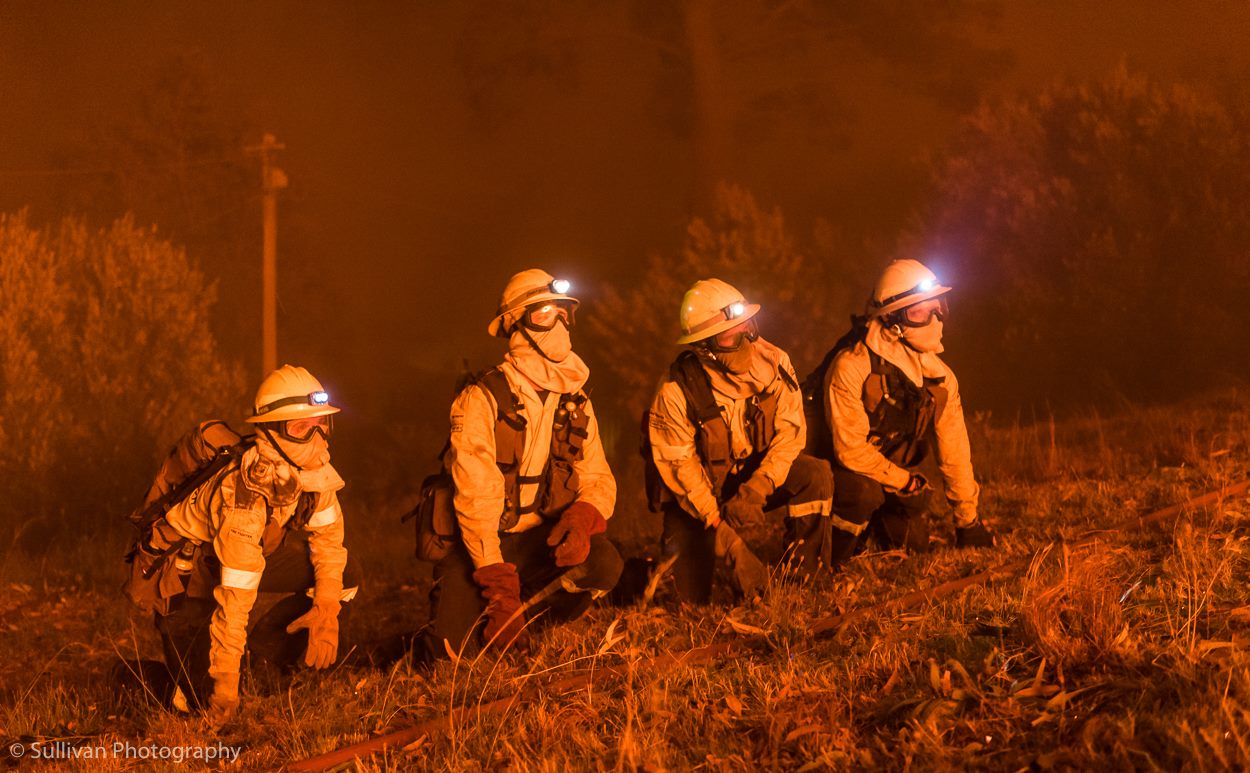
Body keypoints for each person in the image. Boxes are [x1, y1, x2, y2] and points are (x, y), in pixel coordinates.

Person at [137, 365, 360, 723]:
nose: (318, 437)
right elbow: (236, 596)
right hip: (187, 575)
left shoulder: (314, 473)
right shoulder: (243, 496)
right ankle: (140, 680)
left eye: (321, 423)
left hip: (248, 555)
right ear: (269, 432)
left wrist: (327, 606)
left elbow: (330, 545)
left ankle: (261, 659)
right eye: (301, 428)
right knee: (195, 705)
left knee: (345, 575)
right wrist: (225, 682)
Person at [426, 269, 622, 657]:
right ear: (517, 323)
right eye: (546, 312)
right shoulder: (481, 399)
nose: (561, 323)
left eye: (565, 312)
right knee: (447, 648)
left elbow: (599, 477)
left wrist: (582, 519)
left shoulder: (577, 400)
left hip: (539, 539)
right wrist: (499, 590)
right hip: (483, 545)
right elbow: (476, 498)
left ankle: (535, 618)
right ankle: (497, 608)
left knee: (604, 562)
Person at [647, 278, 833, 603]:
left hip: (751, 477)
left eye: (747, 325)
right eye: (732, 332)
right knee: (688, 600)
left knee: (815, 475)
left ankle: (808, 575)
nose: (747, 337)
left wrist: (759, 486)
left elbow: (791, 433)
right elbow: (682, 470)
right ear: (705, 345)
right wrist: (728, 540)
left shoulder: (775, 363)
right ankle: (645, 574)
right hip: (698, 496)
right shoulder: (676, 391)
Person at [815, 259, 994, 568]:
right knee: (861, 494)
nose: (935, 319)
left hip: (889, 477)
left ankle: (874, 526)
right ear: (892, 320)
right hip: (844, 477)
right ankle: (828, 558)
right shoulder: (851, 366)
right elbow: (849, 451)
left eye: (938, 308)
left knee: (915, 547)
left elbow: (954, 450)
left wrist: (968, 521)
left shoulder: (938, 377)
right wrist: (905, 482)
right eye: (920, 313)